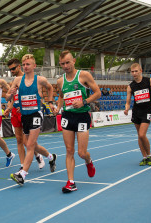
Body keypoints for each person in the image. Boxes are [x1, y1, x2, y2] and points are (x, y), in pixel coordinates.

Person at [54, 50, 101, 193]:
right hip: (67, 116)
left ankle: (88, 161)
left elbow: (98, 93)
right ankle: (71, 182)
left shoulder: (84, 76)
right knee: (69, 150)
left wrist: (84, 102)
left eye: (68, 62)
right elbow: (61, 96)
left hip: (82, 116)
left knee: (81, 152)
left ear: (73, 61)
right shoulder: (60, 80)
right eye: (62, 64)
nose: (66, 66)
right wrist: (58, 107)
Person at [7, 54, 57, 186]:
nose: (25, 66)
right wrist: (10, 94)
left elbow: (50, 88)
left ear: (34, 66)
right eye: (24, 65)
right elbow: (8, 98)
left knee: (29, 145)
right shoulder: (18, 80)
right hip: (25, 115)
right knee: (31, 144)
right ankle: (51, 157)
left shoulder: (40, 80)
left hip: (36, 114)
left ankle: (22, 174)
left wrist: (50, 102)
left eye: (28, 64)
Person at [4, 58, 45, 171]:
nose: (12, 71)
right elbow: (10, 97)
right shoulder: (16, 81)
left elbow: (37, 97)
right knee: (19, 139)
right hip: (15, 111)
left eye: (13, 68)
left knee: (28, 142)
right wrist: (9, 107)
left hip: (27, 112)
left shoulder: (29, 79)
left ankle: (38, 156)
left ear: (19, 67)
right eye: (10, 69)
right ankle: (23, 165)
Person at [124, 63, 151, 166]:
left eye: (136, 71)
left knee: (142, 134)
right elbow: (128, 101)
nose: (134, 73)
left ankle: (149, 156)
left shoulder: (149, 81)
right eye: (132, 72)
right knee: (139, 136)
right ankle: (144, 157)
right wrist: (126, 109)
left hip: (147, 111)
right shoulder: (130, 86)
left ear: (140, 70)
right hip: (136, 112)